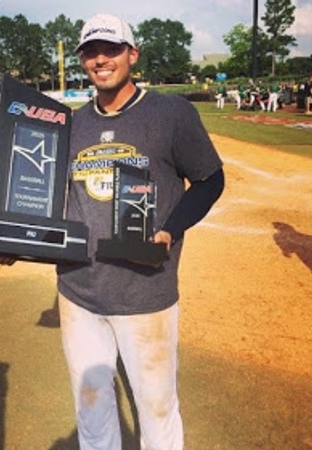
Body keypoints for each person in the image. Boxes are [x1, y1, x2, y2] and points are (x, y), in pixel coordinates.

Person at [56, 13, 224, 450]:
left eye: (110, 49)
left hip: (145, 291)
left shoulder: (171, 113)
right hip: (78, 291)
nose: (100, 59)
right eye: (90, 52)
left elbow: (210, 180)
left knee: (157, 410)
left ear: (132, 54)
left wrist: (169, 230)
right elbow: (55, 199)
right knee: (91, 410)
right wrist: (16, 238)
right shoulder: (72, 124)